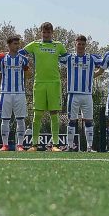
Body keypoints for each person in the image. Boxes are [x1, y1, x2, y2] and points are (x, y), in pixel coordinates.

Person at [23, 22, 68, 151]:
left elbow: (68, 59)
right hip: (39, 83)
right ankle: (34, 145)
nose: (46, 34)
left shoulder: (58, 45)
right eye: (44, 32)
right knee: (37, 114)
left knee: (54, 114)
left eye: (48, 32)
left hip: (54, 83)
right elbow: (20, 53)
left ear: (52, 33)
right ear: (41, 32)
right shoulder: (35, 45)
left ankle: (55, 145)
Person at [59, 35, 101, 152]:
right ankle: (70, 146)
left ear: (85, 45)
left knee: (88, 120)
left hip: (87, 94)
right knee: (72, 120)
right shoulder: (69, 58)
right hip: (73, 94)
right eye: (79, 44)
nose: (81, 46)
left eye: (83, 44)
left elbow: (105, 63)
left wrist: (95, 74)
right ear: (75, 45)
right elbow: (54, 57)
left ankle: (89, 147)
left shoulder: (92, 58)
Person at [0, 35, 30, 151]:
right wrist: (4, 86)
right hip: (5, 93)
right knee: (5, 119)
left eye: (18, 44)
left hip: (20, 93)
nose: (17, 46)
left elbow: (27, 75)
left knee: (20, 119)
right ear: (9, 45)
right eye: (15, 44)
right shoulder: (1, 59)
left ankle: (20, 145)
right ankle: (5, 145)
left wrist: (21, 86)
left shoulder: (24, 59)